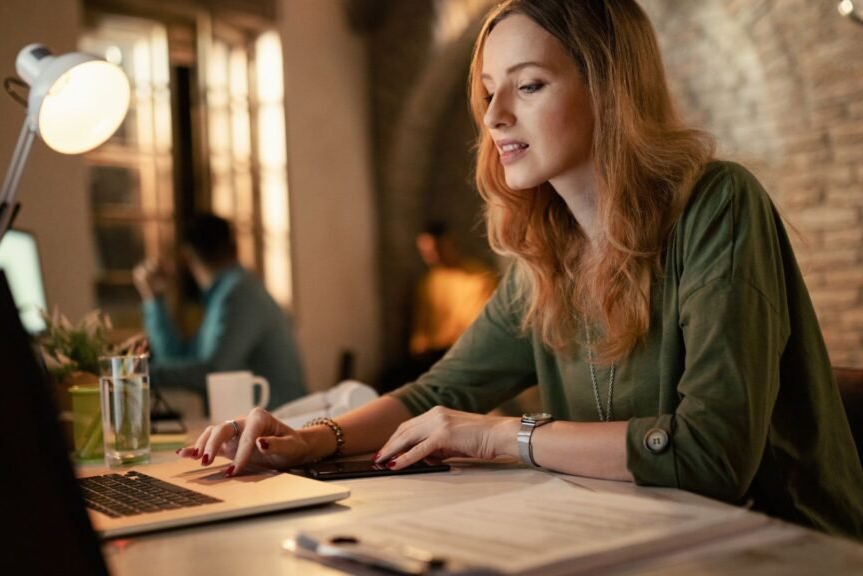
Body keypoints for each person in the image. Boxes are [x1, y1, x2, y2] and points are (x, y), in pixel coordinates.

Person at [179, 0, 863, 539]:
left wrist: (501, 434)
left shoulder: (719, 205)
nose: (495, 117)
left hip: (785, 547)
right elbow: (437, 392)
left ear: (608, 89)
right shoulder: (549, 251)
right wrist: (308, 441)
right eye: (487, 93)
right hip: (639, 539)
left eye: (528, 86)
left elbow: (713, 456)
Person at [133, 214, 306, 410]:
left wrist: (136, 372)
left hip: (282, 418)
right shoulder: (226, 294)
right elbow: (180, 358)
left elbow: (214, 371)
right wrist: (154, 299)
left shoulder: (239, 293)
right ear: (235, 247)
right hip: (261, 416)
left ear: (186, 257)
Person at [407, 221, 497, 376]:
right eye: (426, 252)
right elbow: (420, 329)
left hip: (465, 351)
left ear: (451, 245)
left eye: (438, 249)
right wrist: (419, 348)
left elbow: (478, 326)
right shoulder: (428, 282)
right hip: (434, 355)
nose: (433, 257)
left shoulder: (480, 278)